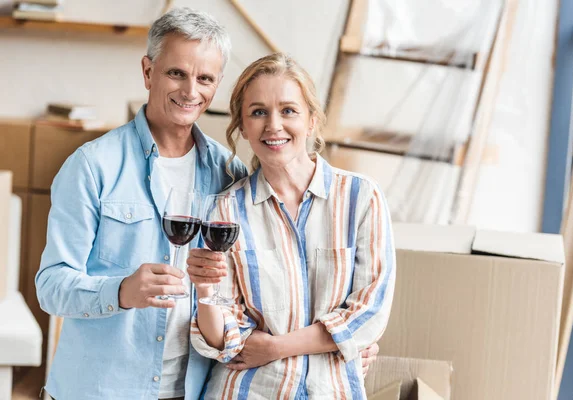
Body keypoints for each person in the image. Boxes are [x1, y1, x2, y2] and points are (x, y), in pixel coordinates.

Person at [35, 7, 379, 400]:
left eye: (205, 79)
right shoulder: (92, 166)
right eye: (176, 73)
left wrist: (341, 344)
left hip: (194, 388)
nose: (190, 91)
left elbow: (263, 292)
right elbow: (51, 286)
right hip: (98, 390)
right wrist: (122, 291)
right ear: (148, 72)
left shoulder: (229, 175)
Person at [187, 53, 396, 399]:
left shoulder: (362, 198)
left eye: (288, 110)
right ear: (242, 125)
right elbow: (225, 340)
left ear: (311, 120)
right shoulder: (226, 209)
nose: (273, 125)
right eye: (258, 112)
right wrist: (206, 293)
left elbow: (369, 314)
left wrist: (276, 347)